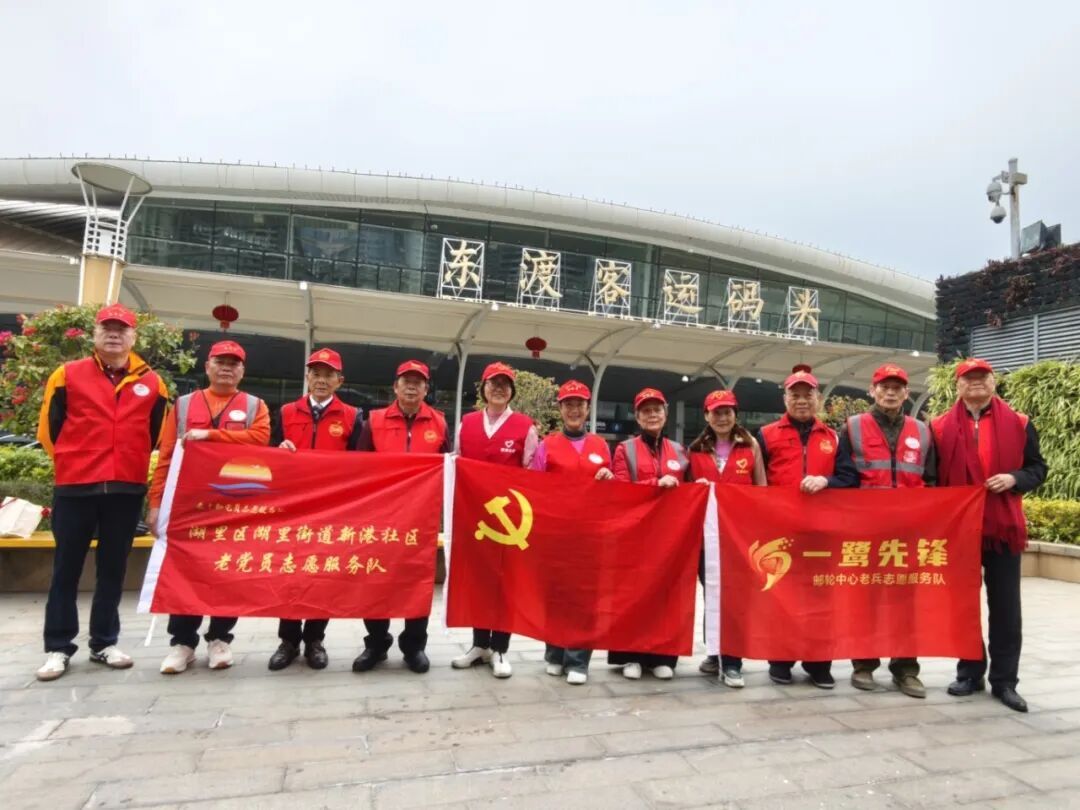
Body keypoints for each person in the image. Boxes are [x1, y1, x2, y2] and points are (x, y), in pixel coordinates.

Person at [34, 304, 170, 681]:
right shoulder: (67, 375)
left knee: (113, 569)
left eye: (121, 329)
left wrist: (126, 461)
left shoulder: (152, 383)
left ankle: (104, 642)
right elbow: (49, 430)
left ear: (133, 337)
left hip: (125, 490)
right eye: (107, 328)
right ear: (95, 335)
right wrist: (76, 460)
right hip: (75, 487)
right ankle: (58, 646)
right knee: (66, 569)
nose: (114, 334)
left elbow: (156, 434)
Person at [148, 340, 270, 674]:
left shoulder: (255, 405)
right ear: (207, 366)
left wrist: (209, 436)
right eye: (220, 362)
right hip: (190, 503)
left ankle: (220, 638)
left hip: (235, 502)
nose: (227, 368)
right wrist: (156, 503)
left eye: (234, 363)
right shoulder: (183, 405)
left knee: (228, 570)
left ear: (242, 371)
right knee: (185, 570)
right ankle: (182, 643)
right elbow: (167, 455)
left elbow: (260, 438)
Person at [933, 358, 1047, 713]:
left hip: (1002, 529)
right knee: (962, 605)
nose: (977, 383)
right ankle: (969, 673)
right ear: (958, 386)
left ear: (994, 382)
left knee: (1006, 608)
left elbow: (1037, 468)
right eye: (969, 378)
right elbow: (931, 478)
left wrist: (1014, 478)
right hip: (958, 531)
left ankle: (1005, 681)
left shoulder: (1020, 423)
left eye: (983, 377)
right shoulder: (939, 428)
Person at [829, 364, 936, 698]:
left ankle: (906, 670)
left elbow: (932, 481)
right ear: (872, 390)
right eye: (884, 386)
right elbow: (844, 477)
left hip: (907, 533)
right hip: (866, 531)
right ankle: (863, 665)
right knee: (866, 600)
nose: (890, 392)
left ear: (906, 393)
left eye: (897, 387)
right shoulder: (852, 428)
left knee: (906, 603)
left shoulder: (923, 431)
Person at [267, 348, 362, 672]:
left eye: (328, 375)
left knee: (323, 574)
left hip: (331, 511)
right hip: (292, 509)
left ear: (339, 381)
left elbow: (359, 464)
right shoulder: (286, 412)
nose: (321, 380)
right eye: (316, 373)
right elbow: (269, 456)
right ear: (307, 377)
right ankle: (288, 640)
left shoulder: (352, 416)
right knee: (290, 572)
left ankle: (315, 640)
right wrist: (279, 450)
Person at [352, 359, 449, 675]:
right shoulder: (374, 421)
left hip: (421, 518)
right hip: (381, 517)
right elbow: (358, 467)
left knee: (417, 582)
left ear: (426, 389)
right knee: (375, 580)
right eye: (406, 381)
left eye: (418, 382)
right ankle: (376, 644)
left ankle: (414, 646)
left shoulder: (439, 423)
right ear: (395, 387)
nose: (411, 387)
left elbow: (447, 469)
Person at [451, 361, 538, 679]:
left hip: (509, 521)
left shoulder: (525, 426)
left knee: (505, 584)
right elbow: (456, 464)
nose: (499, 389)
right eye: (493, 383)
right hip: (474, 518)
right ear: (483, 389)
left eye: (505, 384)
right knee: (478, 581)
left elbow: (531, 472)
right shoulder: (467, 423)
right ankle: (480, 645)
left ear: (511, 391)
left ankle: (500, 647)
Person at [756, 365, 838, 689]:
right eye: (795, 394)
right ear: (785, 399)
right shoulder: (766, 435)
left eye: (808, 394)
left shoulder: (832, 437)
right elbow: (755, 480)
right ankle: (781, 660)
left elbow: (849, 478)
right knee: (782, 597)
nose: (802, 400)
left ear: (818, 398)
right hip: (781, 533)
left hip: (822, 533)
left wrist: (827, 480)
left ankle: (819, 664)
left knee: (821, 599)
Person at [530, 379, 614, 685]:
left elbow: (613, 489)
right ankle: (554, 653)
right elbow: (534, 488)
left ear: (588, 409)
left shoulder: (601, 446)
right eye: (568, 405)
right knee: (555, 595)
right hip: (556, 534)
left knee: (584, 598)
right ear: (561, 409)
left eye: (579, 404)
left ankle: (578, 660)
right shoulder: (547, 445)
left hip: (590, 535)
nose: (574, 410)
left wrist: (608, 476)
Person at [688, 389, 766, 688]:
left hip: (739, 537)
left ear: (735, 415)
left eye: (727, 412)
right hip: (706, 539)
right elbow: (686, 493)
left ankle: (733, 662)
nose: (722, 418)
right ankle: (714, 652)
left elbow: (761, 489)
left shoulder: (750, 446)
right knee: (712, 594)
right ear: (706, 416)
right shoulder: (695, 449)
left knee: (735, 598)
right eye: (716, 412)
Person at [608, 387, 687, 680]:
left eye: (657, 410)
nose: (652, 415)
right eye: (646, 411)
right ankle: (631, 656)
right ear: (638, 417)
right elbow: (619, 489)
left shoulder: (680, 451)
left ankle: (662, 656)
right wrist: (656, 483)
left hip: (670, 536)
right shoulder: (625, 449)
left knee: (665, 595)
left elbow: (688, 489)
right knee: (633, 595)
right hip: (635, 533)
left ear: (665, 414)